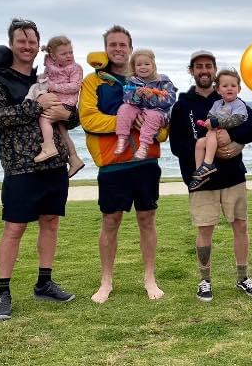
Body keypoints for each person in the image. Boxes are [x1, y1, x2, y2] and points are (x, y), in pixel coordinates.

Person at [0, 19, 79, 320]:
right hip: (20, 167)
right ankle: (3, 292)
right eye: (21, 41)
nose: (27, 46)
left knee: (50, 222)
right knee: (14, 229)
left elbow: (71, 116)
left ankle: (44, 282)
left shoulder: (46, 77)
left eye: (32, 41)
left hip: (54, 165)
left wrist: (67, 113)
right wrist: (36, 105)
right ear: (11, 44)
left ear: (38, 44)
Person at [79, 26, 168, 304]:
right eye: (112, 44)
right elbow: (88, 119)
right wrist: (127, 123)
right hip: (112, 162)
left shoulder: (149, 80)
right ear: (106, 48)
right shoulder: (94, 82)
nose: (118, 49)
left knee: (147, 219)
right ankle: (106, 281)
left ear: (130, 48)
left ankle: (149, 278)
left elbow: (164, 130)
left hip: (146, 161)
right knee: (110, 220)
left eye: (123, 45)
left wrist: (153, 123)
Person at [169, 50, 252, 302]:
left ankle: (243, 277)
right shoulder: (182, 105)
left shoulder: (229, 97)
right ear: (191, 71)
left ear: (214, 70)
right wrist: (207, 153)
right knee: (204, 229)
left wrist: (235, 141)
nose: (204, 71)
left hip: (233, 176)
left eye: (208, 66)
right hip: (201, 179)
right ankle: (204, 280)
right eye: (198, 67)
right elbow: (177, 146)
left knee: (241, 226)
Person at [26, 36, 85, 178]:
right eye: (64, 54)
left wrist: (53, 86)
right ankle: (74, 158)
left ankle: (48, 146)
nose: (69, 56)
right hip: (57, 100)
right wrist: (42, 80)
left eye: (71, 52)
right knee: (62, 131)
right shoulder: (53, 67)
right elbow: (47, 78)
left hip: (66, 103)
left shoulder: (75, 68)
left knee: (44, 119)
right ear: (53, 56)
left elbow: (75, 86)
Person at [188, 69, 249, 192]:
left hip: (224, 138)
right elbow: (211, 116)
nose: (229, 88)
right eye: (225, 86)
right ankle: (200, 173)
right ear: (218, 89)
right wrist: (208, 122)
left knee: (211, 132)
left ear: (239, 89)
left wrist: (216, 123)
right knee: (200, 143)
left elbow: (239, 119)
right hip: (214, 137)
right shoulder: (217, 104)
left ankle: (208, 163)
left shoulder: (239, 104)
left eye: (233, 85)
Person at [113, 48, 176, 160]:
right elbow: (126, 99)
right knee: (124, 108)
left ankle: (144, 146)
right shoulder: (132, 81)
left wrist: (153, 97)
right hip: (138, 109)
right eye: (139, 65)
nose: (143, 67)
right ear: (134, 67)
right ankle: (122, 138)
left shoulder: (163, 80)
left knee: (153, 115)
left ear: (153, 65)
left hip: (159, 112)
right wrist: (136, 95)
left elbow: (170, 100)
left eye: (147, 64)